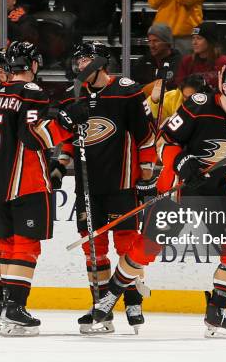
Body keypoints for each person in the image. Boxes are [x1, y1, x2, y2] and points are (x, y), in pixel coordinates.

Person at [90, 63, 226, 339]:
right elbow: (165, 140)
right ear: (225, 85)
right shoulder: (199, 105)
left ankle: (217, 312)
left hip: (217, 194)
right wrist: (182, 161)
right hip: (178, 189)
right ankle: (110, 295)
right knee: (146, 249)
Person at [0, 41, 83, 337]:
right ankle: (15, 309)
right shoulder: (31, 92)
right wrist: (65, 125)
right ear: (32, 65)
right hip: (26, 181)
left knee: (4, 244)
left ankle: (2, 307)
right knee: (26, 245)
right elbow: (33, 137)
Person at [58, 41, 157, 334]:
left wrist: (148, 176)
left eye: (86, 59)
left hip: (122, 183)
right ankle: (101, 305)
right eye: (77, 61)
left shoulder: (127, 91)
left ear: (101, 62)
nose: (79, 66)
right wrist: (58, 166)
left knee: (127, 245)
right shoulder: (71, 96)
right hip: (87, 185)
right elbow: (67, 139)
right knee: (93, 249)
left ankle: (132, 299)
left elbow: (145, 137)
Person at [174, 21, 226, 89]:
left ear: (210, 41)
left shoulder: (225, 62)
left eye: (199, 38)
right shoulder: (187, 61)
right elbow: (180, 85)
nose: (194, 42)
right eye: (193, 38)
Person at [131, 23, 182, 91]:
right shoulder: (141, 62)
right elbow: (132, 88)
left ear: (167, 42)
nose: (152, 45)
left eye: (156, 41)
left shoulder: (180, 63)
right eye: (149, 41)